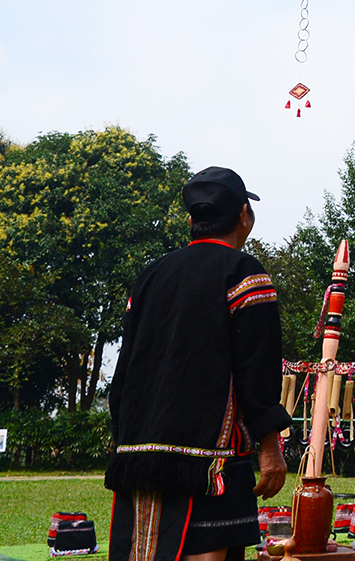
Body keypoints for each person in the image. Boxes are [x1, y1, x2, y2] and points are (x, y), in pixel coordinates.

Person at [106, 167, 289, 561]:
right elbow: (257, 369)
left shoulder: (151, 276)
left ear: (191, 220)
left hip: (139, 454)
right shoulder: (244, 274)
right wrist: (270, 446)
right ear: (245, 215)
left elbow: (126, 369)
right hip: (208, 462)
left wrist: (121, 439)